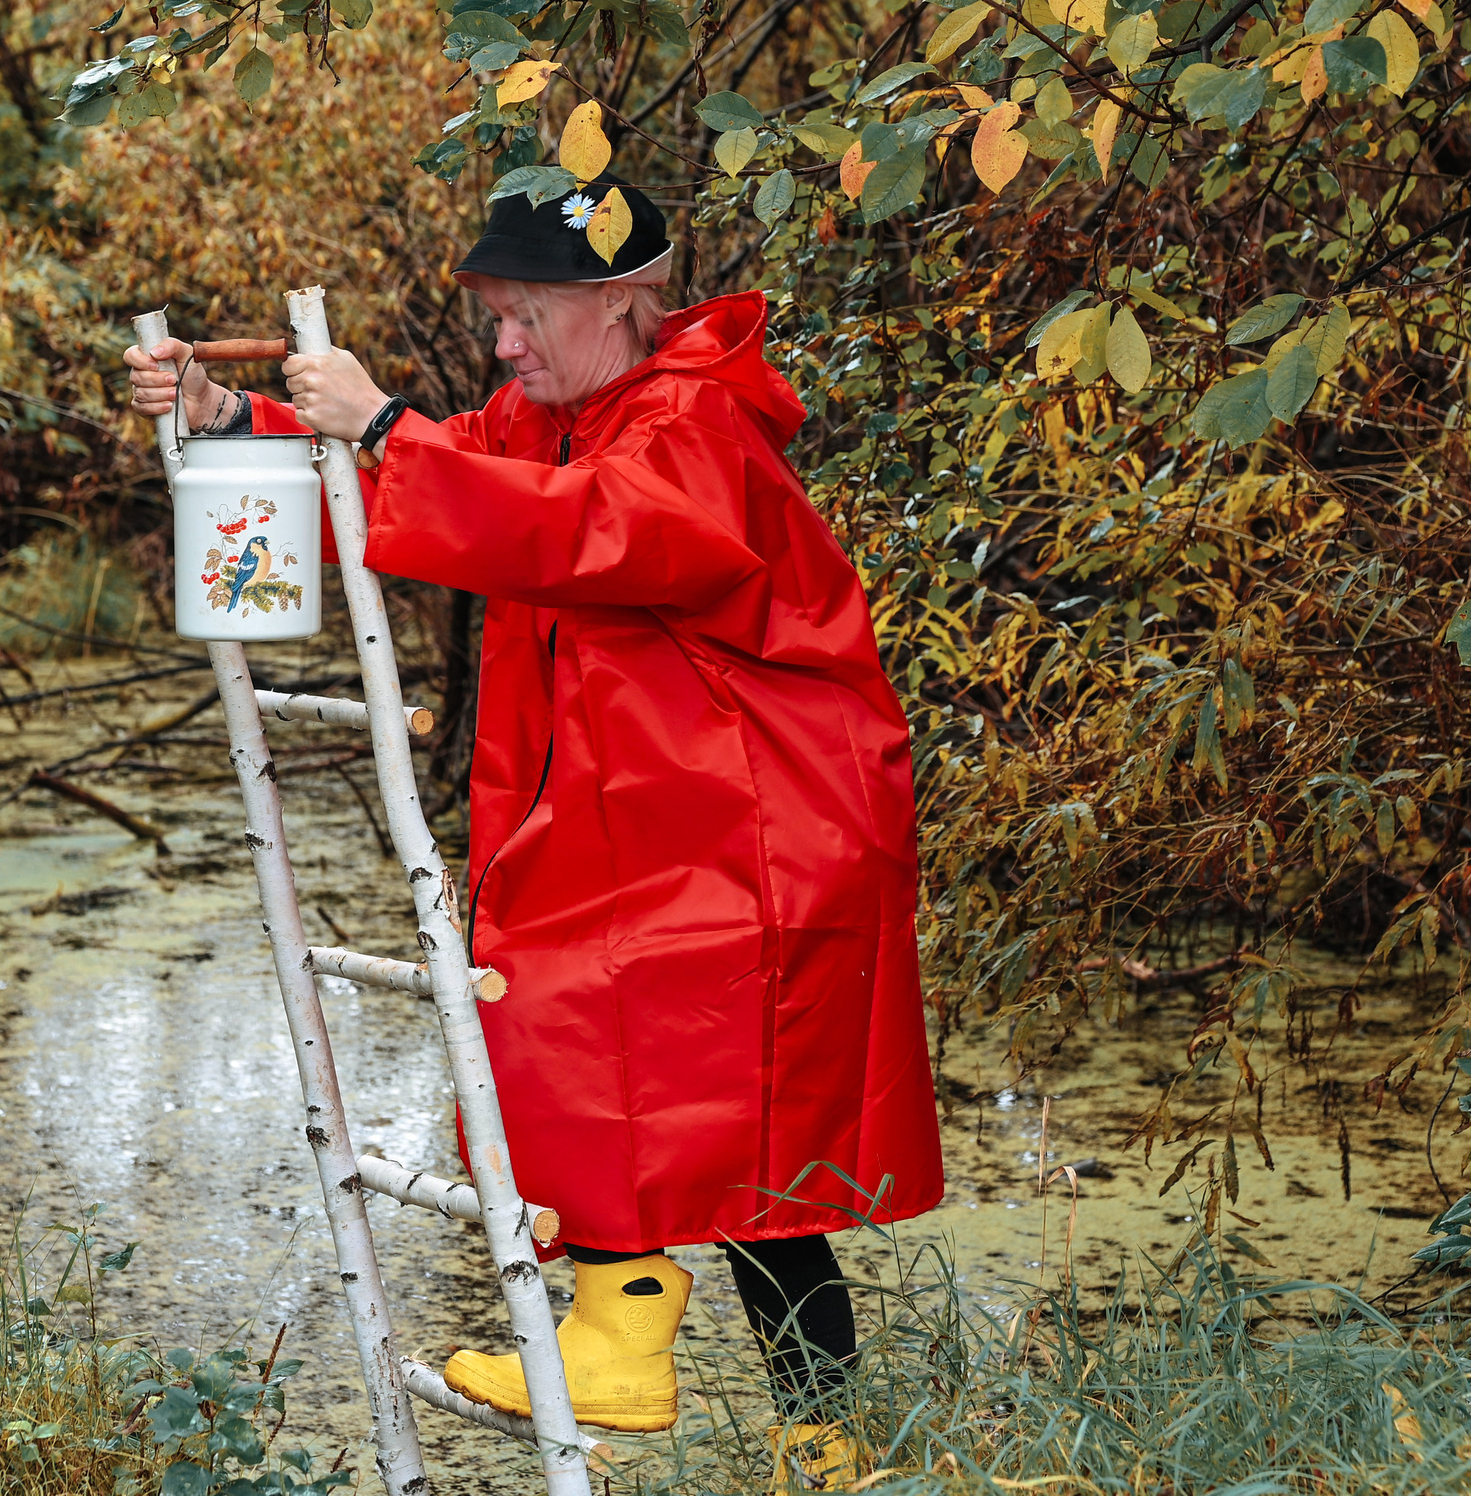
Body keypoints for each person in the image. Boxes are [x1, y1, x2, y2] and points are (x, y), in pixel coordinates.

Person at [123, 179, 944, 1491]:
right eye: (497, 317)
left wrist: (384, 418)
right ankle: (779, 1419)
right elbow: (449, 477)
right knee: (693, 1130)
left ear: (618, 300)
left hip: (771, 824)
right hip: (667, 820)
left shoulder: (694, 420)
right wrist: (239, 418)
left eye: (522, 315)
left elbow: (584, 533)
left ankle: (706, 1378)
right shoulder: (560, 410)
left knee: (675, 1095)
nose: (502, 342)